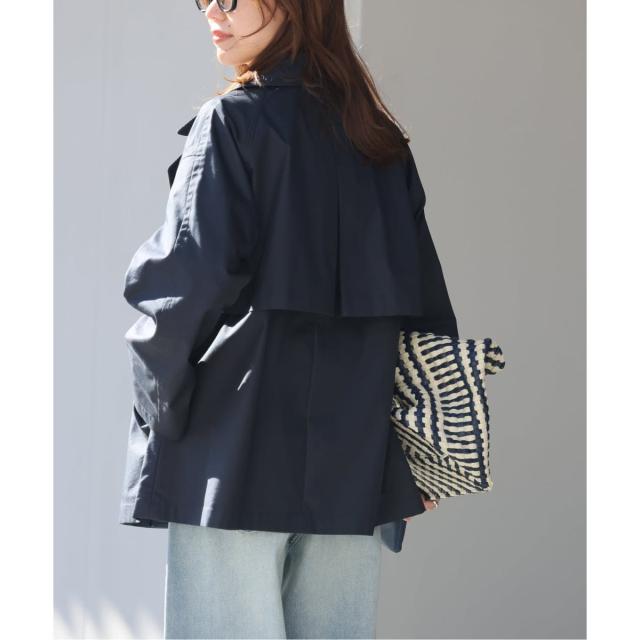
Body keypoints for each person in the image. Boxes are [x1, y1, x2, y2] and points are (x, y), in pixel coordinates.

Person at [118, 0, 458, 637]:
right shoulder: (381, 145)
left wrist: (162, 423)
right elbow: (428, 316)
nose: (212, 12)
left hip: (230, 465)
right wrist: (415, 455)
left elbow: (176, 296)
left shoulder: (232, 124)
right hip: (353, 473)